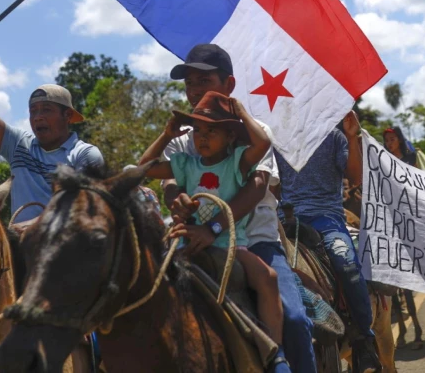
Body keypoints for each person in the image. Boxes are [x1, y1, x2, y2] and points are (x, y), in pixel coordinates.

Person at [161, 44, 315, 372]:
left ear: (229, 86)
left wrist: (214, 227)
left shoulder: (255, 133)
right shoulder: (180, 139)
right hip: (190, 241)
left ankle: (283, 363)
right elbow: (168, 181)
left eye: (203, 80)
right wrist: (176, 198)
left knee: (294, 317)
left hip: (255, 242)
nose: (193, 90)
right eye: (189, 83)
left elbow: (257, 187)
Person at [139, 91, 289, 372]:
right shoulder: (186, 163)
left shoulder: (239, 162)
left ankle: (276, 354)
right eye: (198, 131)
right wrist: (165, 135)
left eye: (212, 131)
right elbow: (143, 168)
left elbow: (264, 142)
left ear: (231, 136)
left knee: (268, 278)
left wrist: (242, 113)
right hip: (187, 243)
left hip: (232, 245)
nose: (203, 137)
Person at [274, 114, 381, 373]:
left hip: (326, 218)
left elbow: (355, 176)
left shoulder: (334, 137)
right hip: (282, 220)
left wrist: (352, 135)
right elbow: (273, 186)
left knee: (346, 263)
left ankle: (363, 339)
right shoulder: (275, 139)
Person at [0, 32, 104, 222]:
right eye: (33, 111)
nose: (37, 117)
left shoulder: (85, 155)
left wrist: (29, 228)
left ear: (67, 115)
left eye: (46, 110)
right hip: (20, 249)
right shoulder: (19, 145)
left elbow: (87, 212)